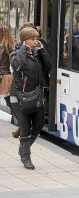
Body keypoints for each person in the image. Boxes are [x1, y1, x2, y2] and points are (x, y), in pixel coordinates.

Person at [10, 27, 51, 169]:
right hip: (20, 96)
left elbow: (48, 66)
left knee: (39, 124)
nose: (35, 42)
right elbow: (17, 66)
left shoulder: (36, 53)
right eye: (32, 39)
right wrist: (23, 49)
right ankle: (26, 157)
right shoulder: (15, 53)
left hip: (36, 95)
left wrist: (42, 50)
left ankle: (23, 149)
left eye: (36, 39)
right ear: (24, 40)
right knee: (25, 127)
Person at [0, 25, 17, 137]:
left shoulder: (3, 47)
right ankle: (22, 124)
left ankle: (22, 125)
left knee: (10, 102)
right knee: (10, 102)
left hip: (2, 76)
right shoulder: (10, 46)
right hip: (7, 76)